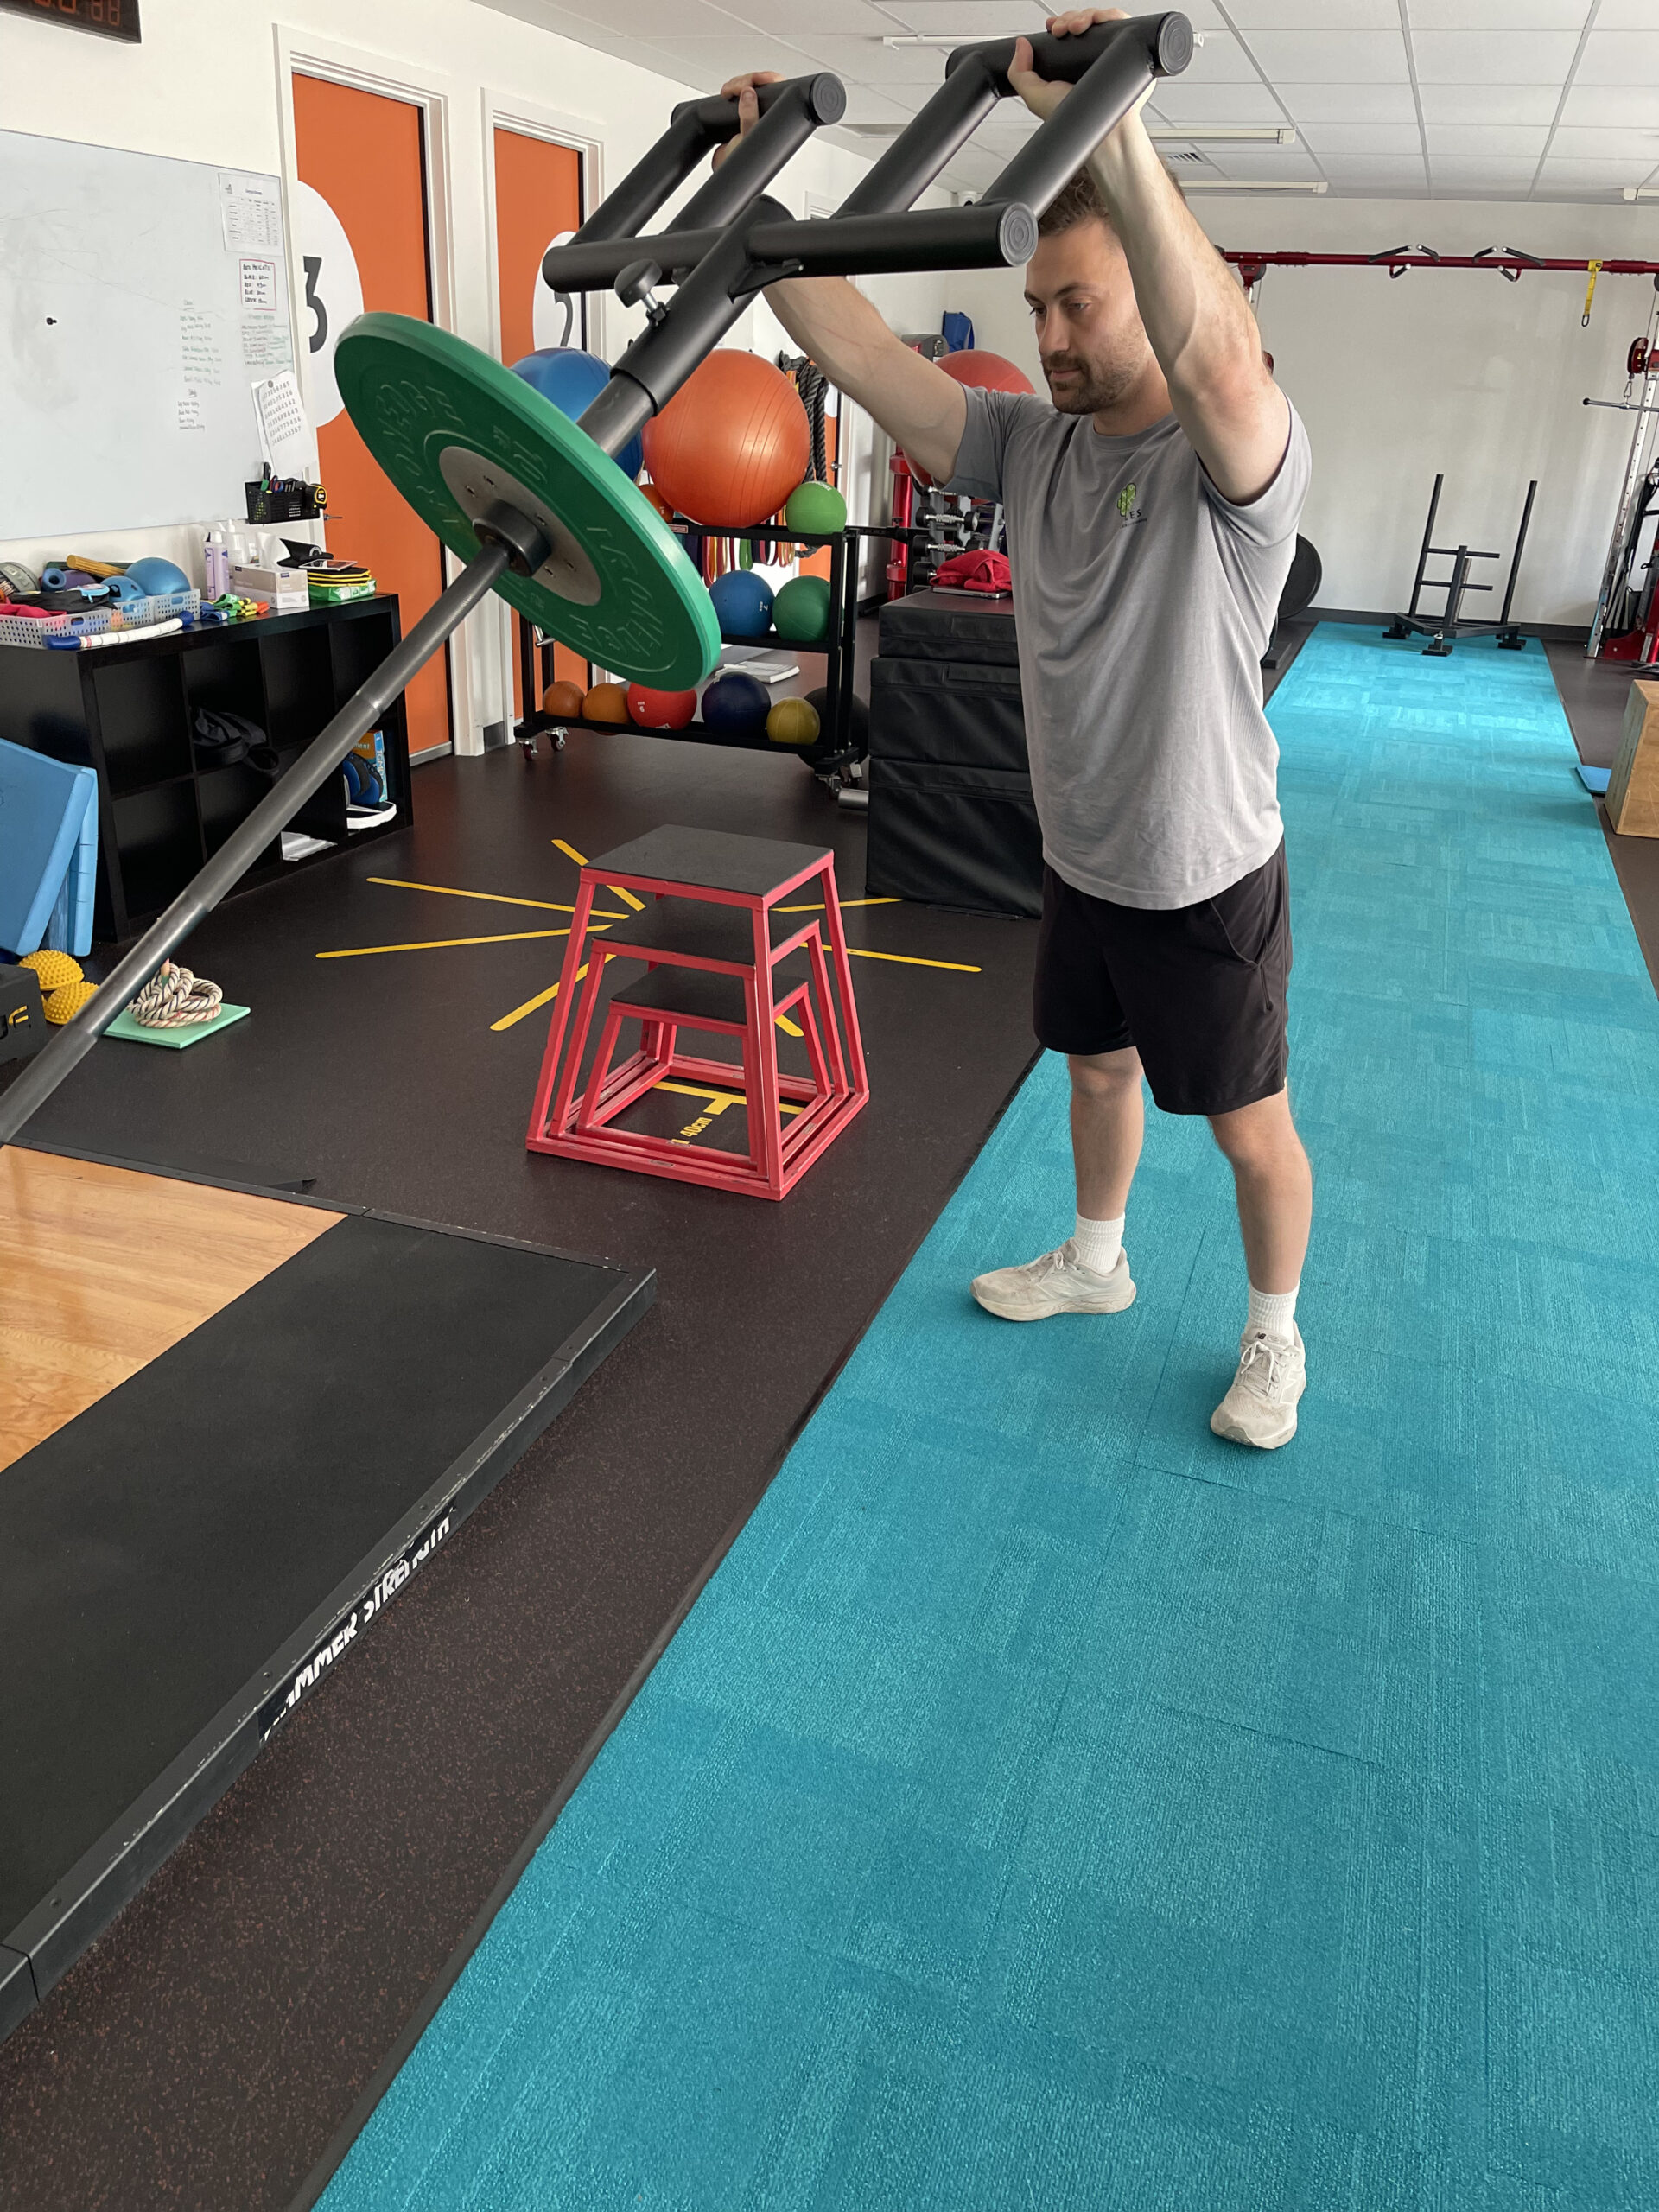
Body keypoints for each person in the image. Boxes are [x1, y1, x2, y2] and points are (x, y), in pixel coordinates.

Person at [717, 8, 1313, 1449]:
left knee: (1247, 1129)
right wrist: (758, 202)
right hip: (1086, 852)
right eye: (1037, 306)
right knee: (1093, 1066)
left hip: (1205, 864)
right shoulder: (1026, 446)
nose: (1045, 335)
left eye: (1076, 307)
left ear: (1146, 304)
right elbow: (859, 350)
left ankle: (1276, 1340)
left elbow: (1221, 353)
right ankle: (1095, 1262)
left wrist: (1112, 119)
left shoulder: (1235, 462)